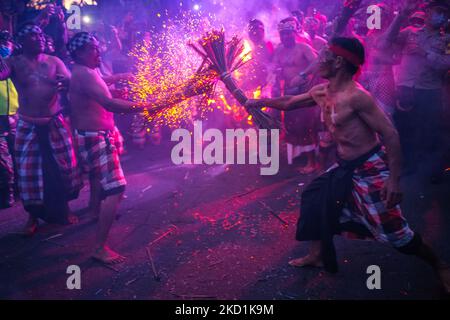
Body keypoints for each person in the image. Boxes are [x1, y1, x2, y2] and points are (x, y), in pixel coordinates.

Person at [246, 37, 450, 293]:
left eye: (324, 58)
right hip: (344, 165)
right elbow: (289, 102)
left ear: (339, 63)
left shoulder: (357, 98)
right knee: (315, 197)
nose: (318, 62)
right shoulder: (322, 91)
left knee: (396, 235)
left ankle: (440, 264)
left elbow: (390, 135)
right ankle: (318, 254)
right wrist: (260, 102)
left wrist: (394, 180)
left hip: (369, 168)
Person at [67, 32, 184, 264]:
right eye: (93, 48)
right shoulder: (82, 73)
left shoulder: (89, 70)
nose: (98, 51)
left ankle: (94, 212)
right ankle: (99, 248)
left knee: (104, 183)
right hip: (94, 137)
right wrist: (147, 106)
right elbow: (109, 103)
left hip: (100, 134)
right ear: (79, 53)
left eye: (98, 46)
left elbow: (100, 90)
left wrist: (118, 79)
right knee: (116, 188)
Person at [0, 23, 82, 235]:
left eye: (40, 35)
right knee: (30, 174)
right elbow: (2, 72)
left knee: (65, 168)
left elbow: (70, 80)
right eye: (33, 36)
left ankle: (65, 209)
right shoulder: (14, 63)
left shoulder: (54, 61)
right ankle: (32, 217)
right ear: (23, 41)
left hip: (54, 121)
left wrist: (66, 83)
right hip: (28, 124)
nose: (40, 39)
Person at [384, 1, 450, 178]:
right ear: (428, 12)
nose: (442, 16)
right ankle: (407, 167)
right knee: (405, 130)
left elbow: (446, 64)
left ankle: (431, 170)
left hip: (430, 91)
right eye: (439, 12)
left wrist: (425, 53)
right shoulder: (409, 33)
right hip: (406, 88)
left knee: (431, 131)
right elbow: (385, 41)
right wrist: (401, 15)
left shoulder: (447, 40)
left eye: (445, 13)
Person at [272, 17, 319, 173]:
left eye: (288, 34)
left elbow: (317, 62)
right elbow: (275, 66)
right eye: (282, 34)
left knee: (306, 126)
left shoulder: (303, 48)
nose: (285, 37)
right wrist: (276, 74)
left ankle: (312, 162)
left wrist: (303, 75)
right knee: (292, 126)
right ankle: (299, 157)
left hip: (304, 92)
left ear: (294, 33)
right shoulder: (279, 50)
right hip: (288, 92)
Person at [0, 30, 18, 209]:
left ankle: (19, 189)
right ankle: (7, 192)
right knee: (3, 159)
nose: (4, 46)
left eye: (7, 42)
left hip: (15, 115)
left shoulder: (14, 64)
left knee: (19, 153)